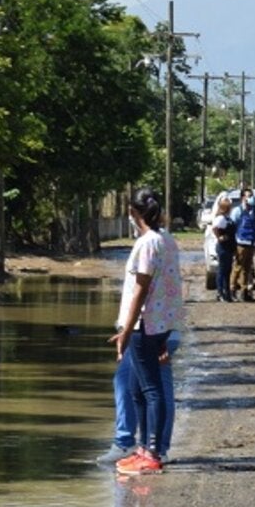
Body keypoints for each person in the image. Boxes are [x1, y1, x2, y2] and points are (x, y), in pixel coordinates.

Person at [109, 188, 183, 476]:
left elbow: (140, 290)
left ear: (133, 212)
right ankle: (142, 449)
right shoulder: (166, 240)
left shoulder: (147, 243)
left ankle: (152, 453)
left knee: (151, 390)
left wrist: (126, 330)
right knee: (135, 389)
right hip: (160, 323)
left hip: (145, 324)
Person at [97, 330, 180, 465]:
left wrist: (126, 331)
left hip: (148, 334)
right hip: (159, 333)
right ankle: (155, 449)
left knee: (132, 384)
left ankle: (129, 444)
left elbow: (140, 308)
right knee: (154, 387)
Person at [231, 187, 255, 302]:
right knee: (237, 268)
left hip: (251, 243)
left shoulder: (254, 211)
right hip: (240, 243)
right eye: (248, 196)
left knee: (247, 269)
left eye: (251, 195)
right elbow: (232, 227)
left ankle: (245, 293)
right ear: (242, 197)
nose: (250, 198)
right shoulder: (237, 211)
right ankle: (232, 290)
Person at [211, 195, 236, 301]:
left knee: (228, 270)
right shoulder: (220, 219)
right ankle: (220, 292)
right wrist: (220, 237)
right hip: (223, 247)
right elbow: (215, 228)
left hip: (229, 246)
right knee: (222, 270)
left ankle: (227, 292)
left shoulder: (228, 218)